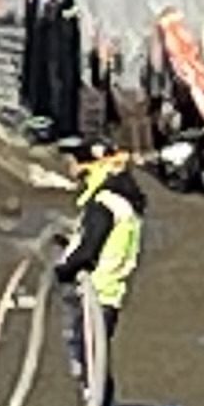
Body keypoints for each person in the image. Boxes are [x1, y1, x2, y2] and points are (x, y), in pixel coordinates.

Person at [54, 139, 149, 377]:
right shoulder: (124, 201)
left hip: (94, 294)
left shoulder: (103, 203)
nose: (73, 171)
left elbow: (89, 252)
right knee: (97, 362)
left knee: (88, 364)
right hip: (110, 294)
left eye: (76, 163)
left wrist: (63, 270)